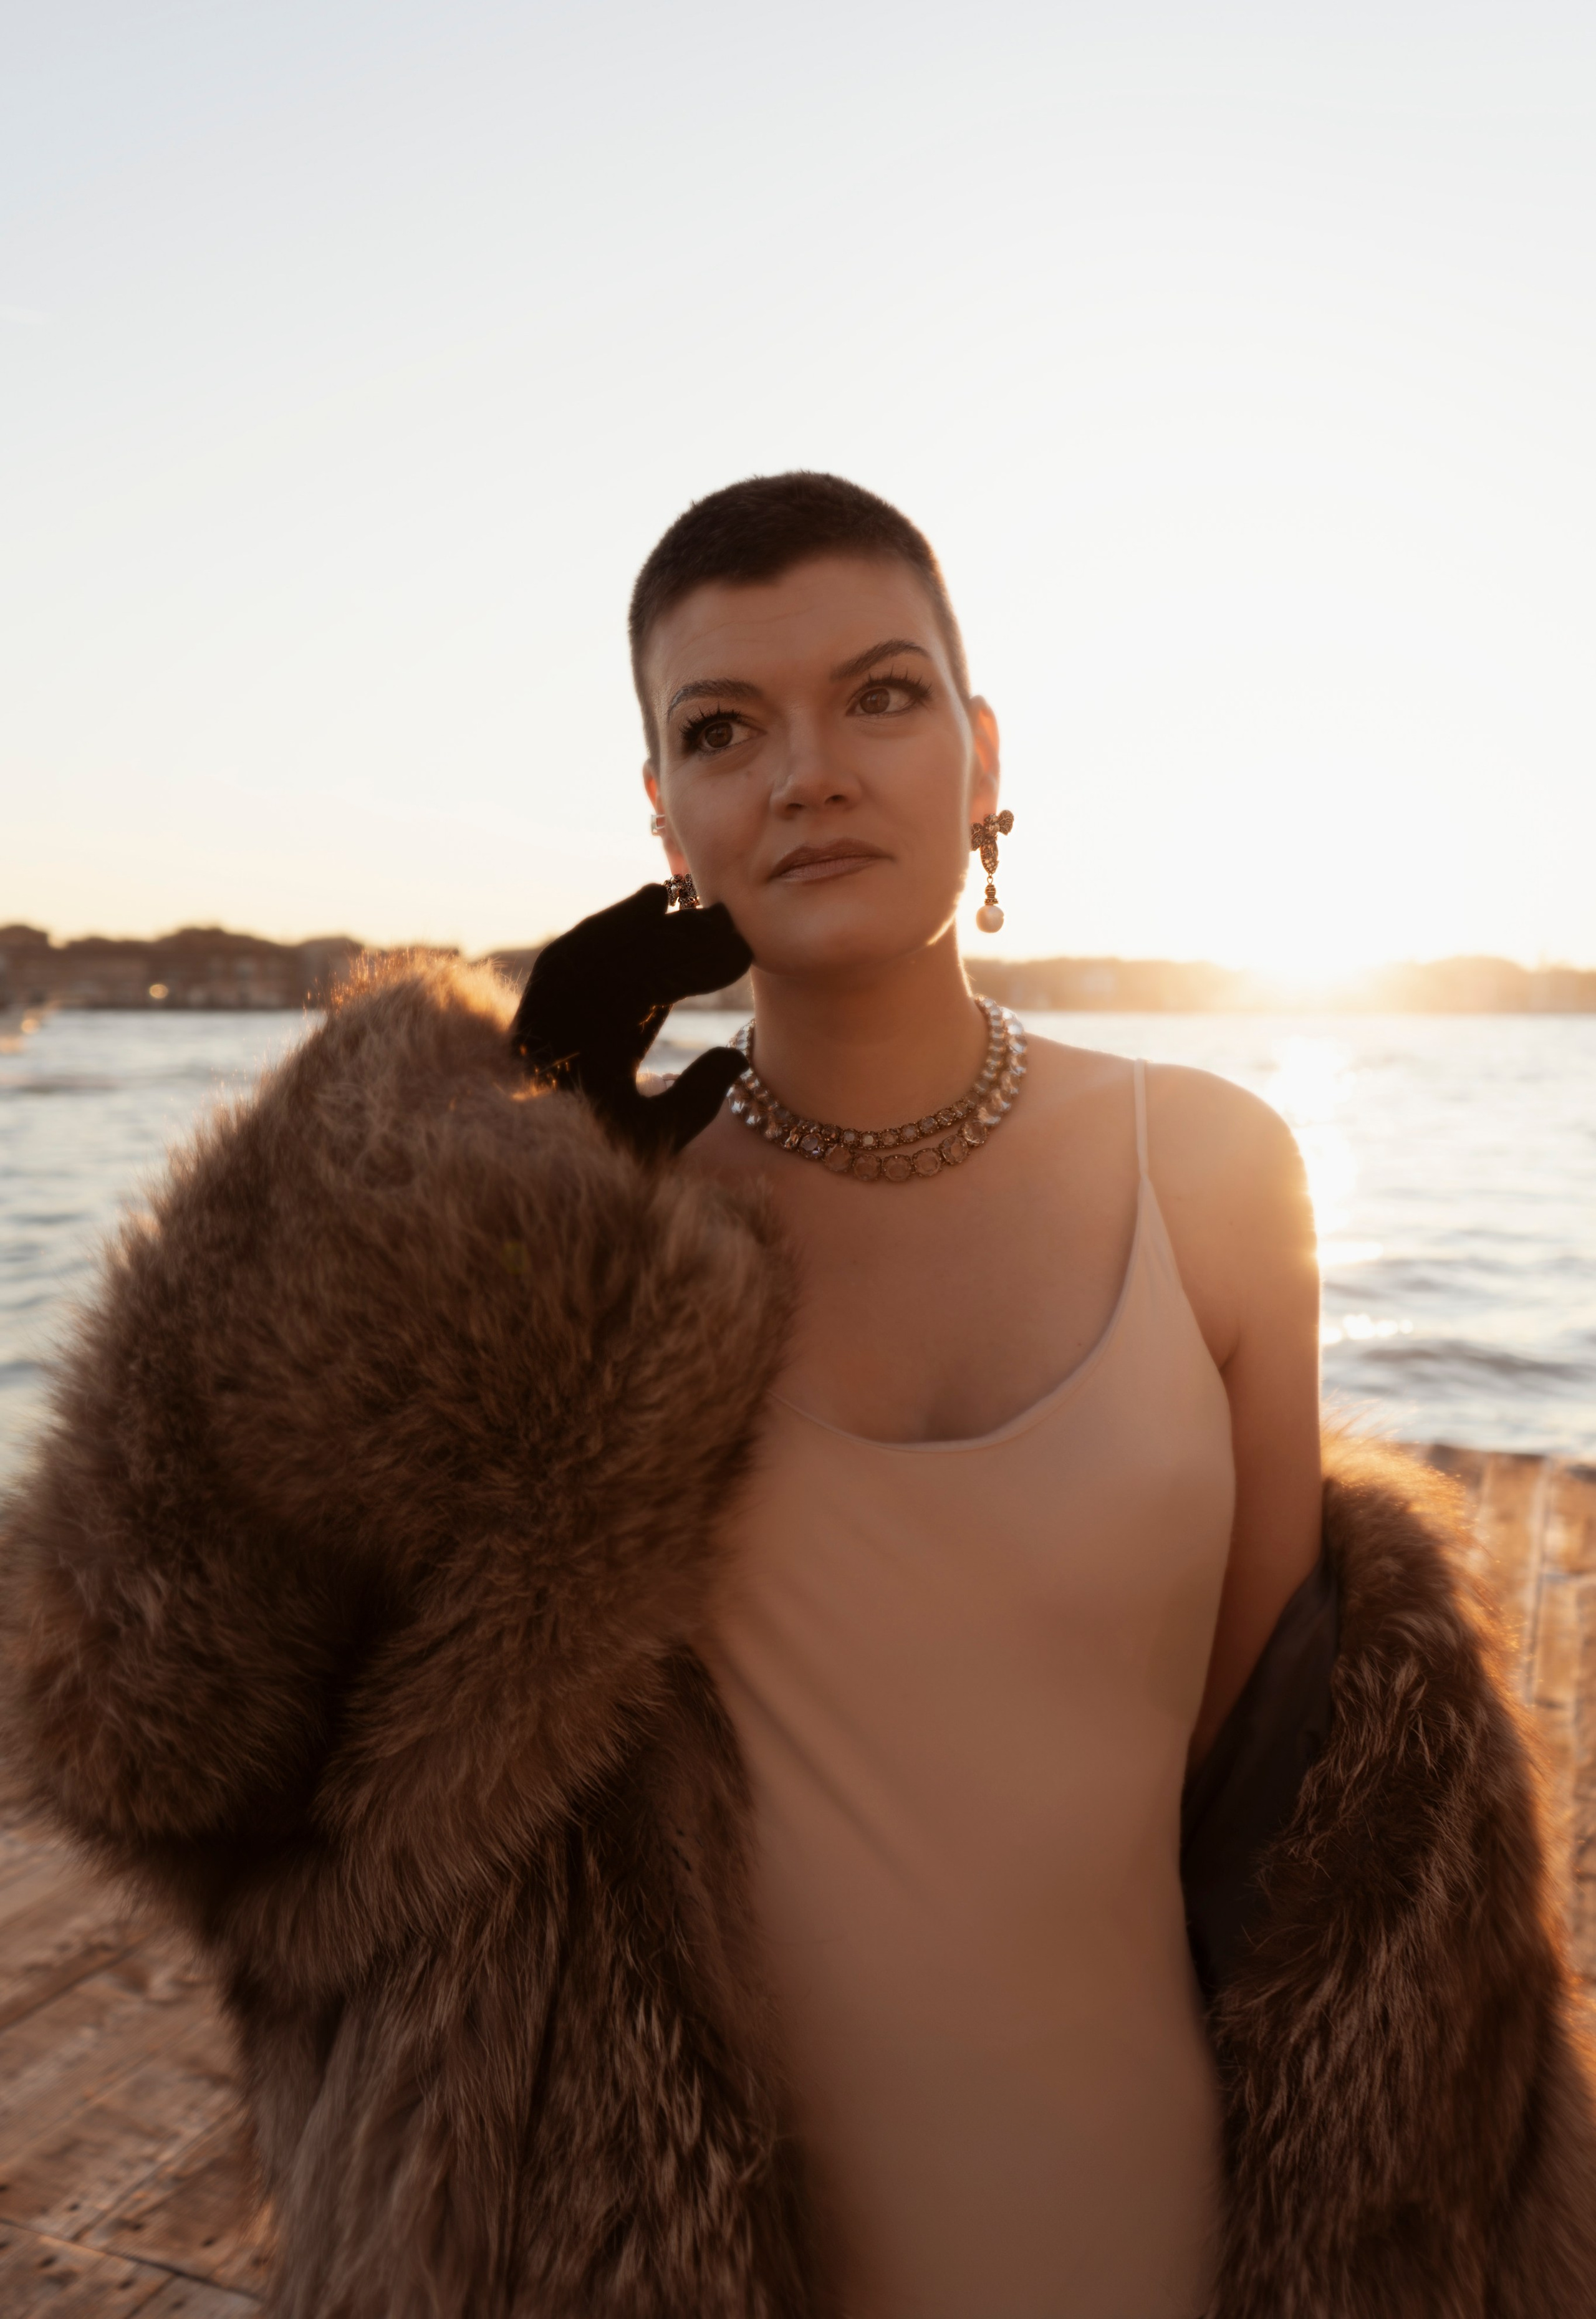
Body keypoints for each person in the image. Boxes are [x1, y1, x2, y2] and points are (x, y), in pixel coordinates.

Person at [1, 473, 1592, 2319]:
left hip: (1147, 2215)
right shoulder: (595, 1235)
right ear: (663, 813)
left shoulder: (1220, 1172)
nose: (810, 773)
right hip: (655, 2256)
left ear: (984, 757)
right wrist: (434, 1174)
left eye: (881, 696)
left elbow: (1284, 1789)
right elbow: (161, 1727)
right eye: (724, 728)